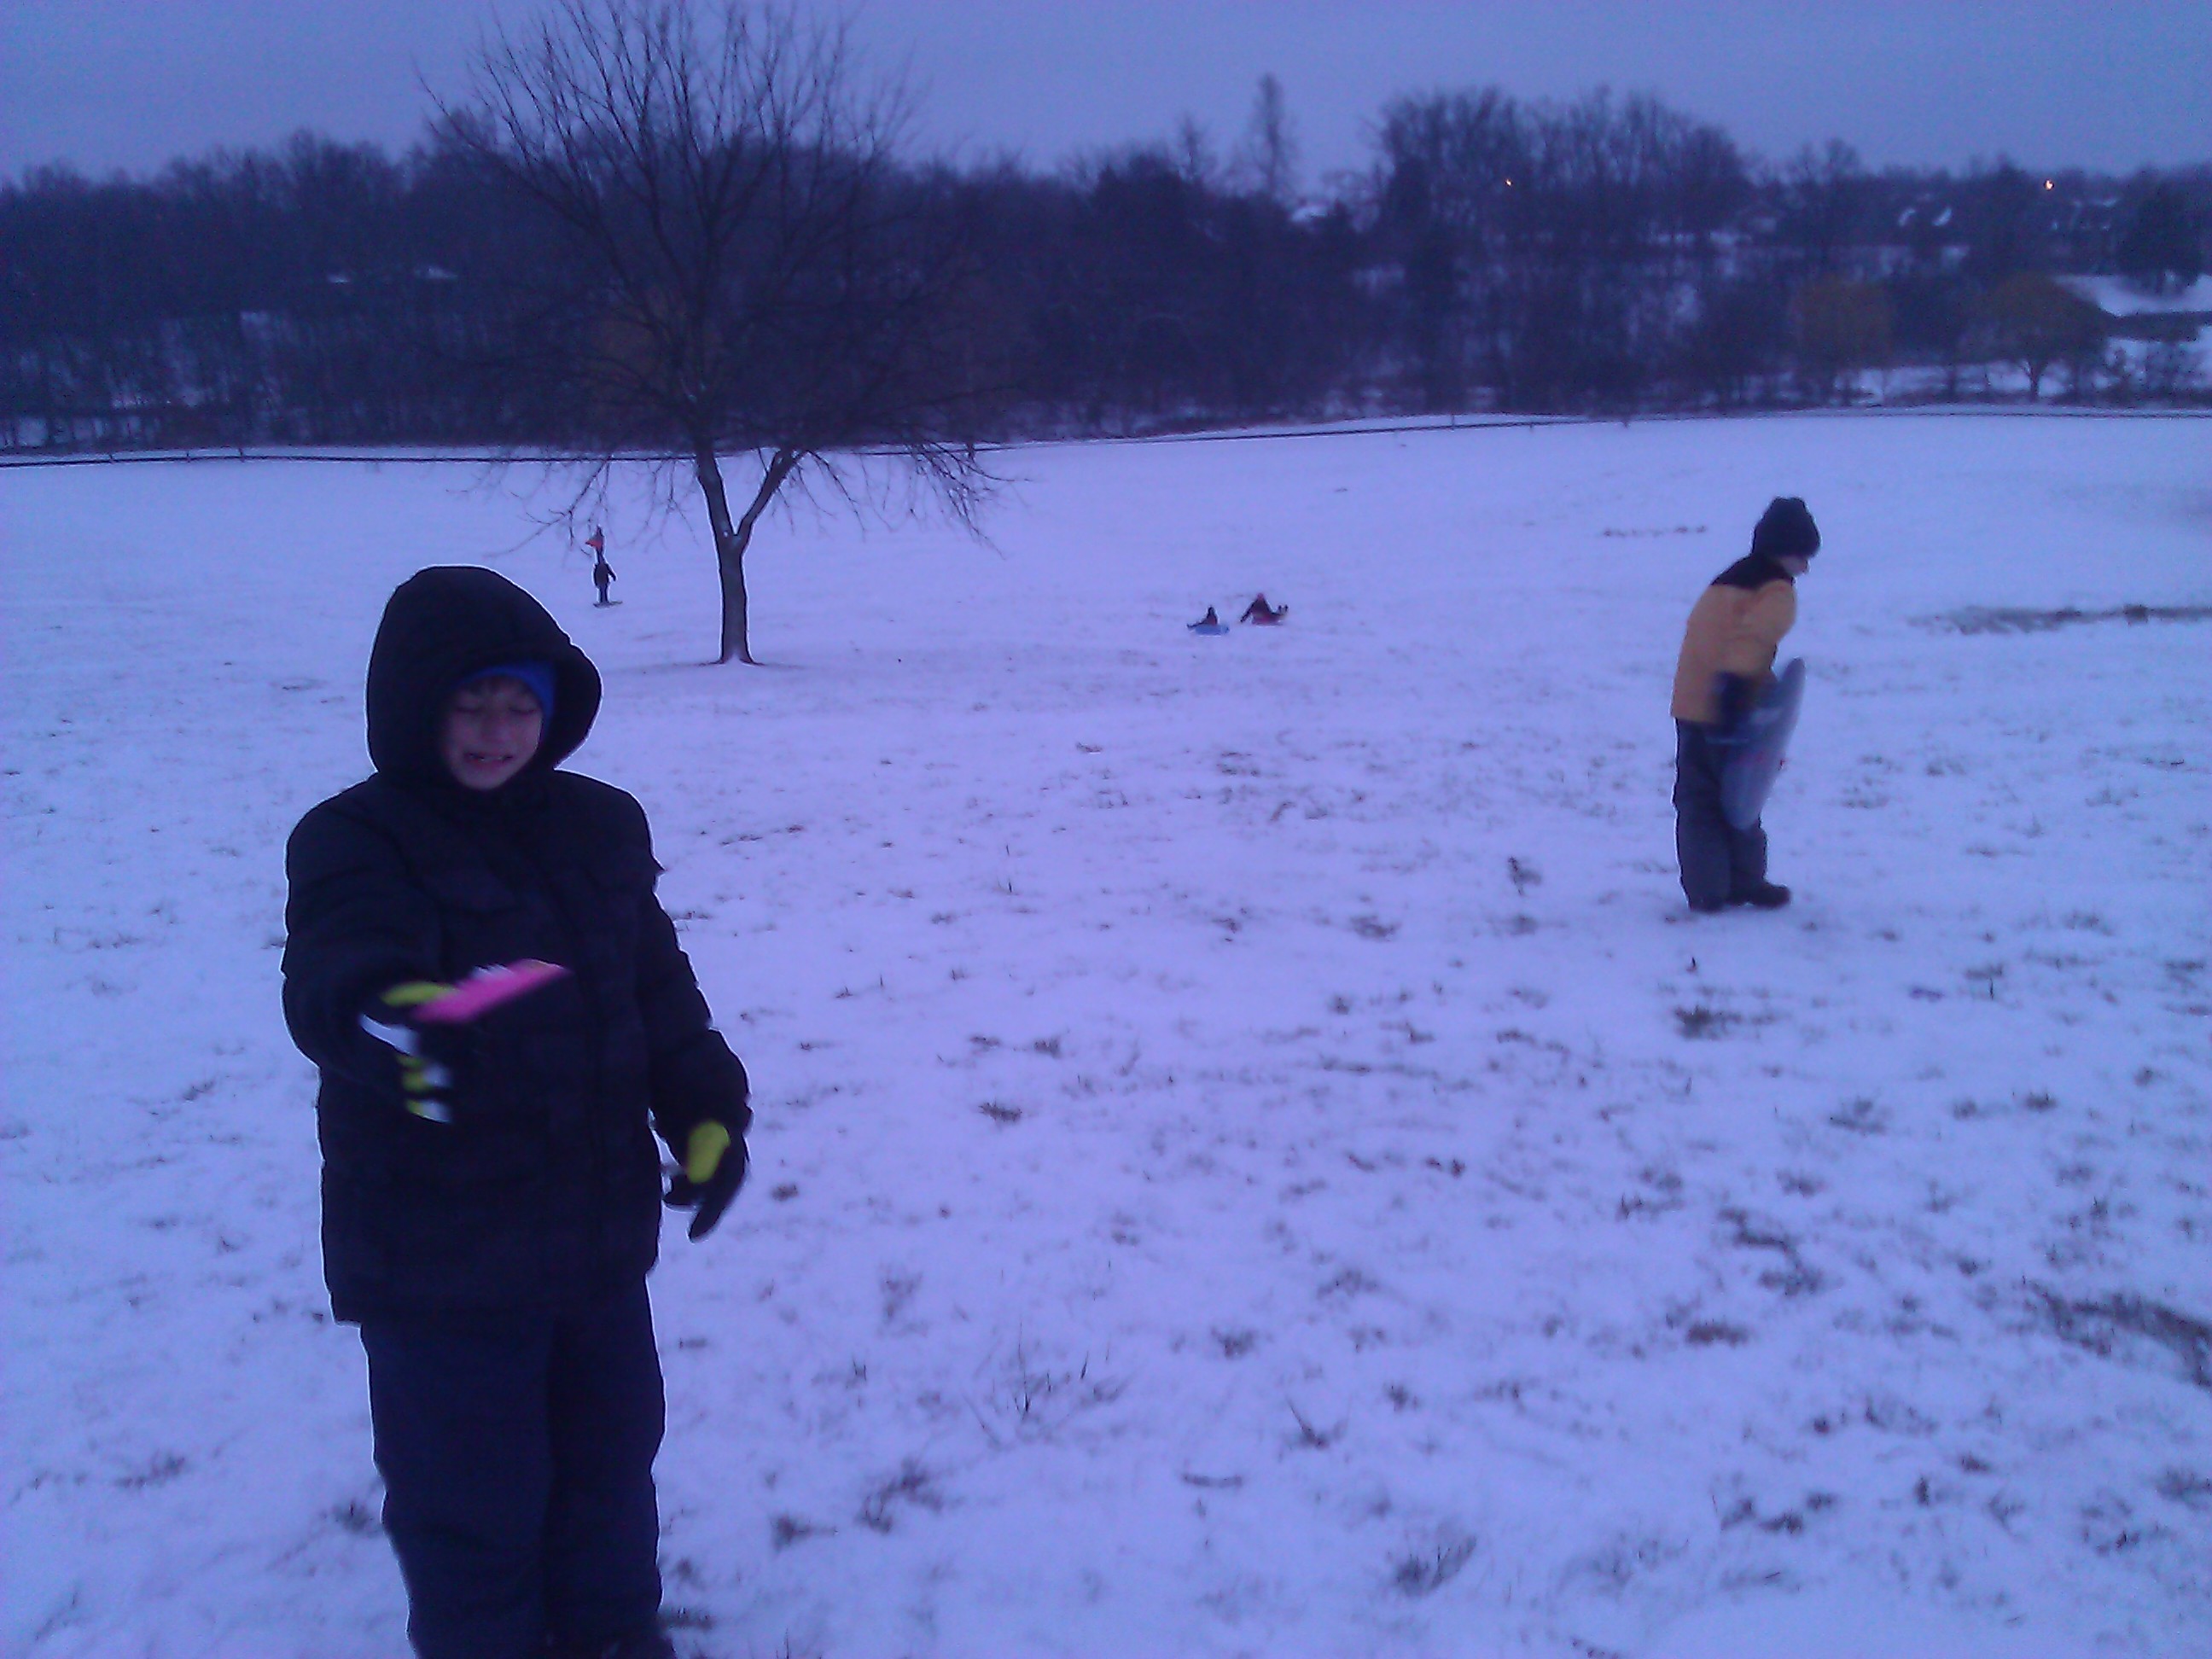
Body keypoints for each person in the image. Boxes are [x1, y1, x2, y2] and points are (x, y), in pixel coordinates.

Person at [282, 567, 750, 1659]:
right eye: (471, 705)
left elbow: (656, 987)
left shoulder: (599, 825)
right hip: (440, 1255)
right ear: (416, 706)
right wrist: (399, 1020)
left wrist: (706, 1107)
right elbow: (337, 971)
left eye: (519, 706)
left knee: (609, 1461)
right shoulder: (358, 838)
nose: (498, 732)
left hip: (594, 1235)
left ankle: (612, 1634)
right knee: (471, 1492)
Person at [1668, 497, 1819, 913]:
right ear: (1785, 551)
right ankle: (1742, 882)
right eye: (1802, 557)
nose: (1805, 568)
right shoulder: (1776, 592)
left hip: (1690, 703)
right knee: (1741, 798)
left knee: (1698, 802)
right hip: (1728, 704)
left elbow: (1707, 640)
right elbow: (1751, 642)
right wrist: (1735, 697)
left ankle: (1709, 890)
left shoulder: (1725, 581)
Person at [587, 527, 615, 607]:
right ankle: (603, 601)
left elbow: (609, 571)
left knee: (603, 591)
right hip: (603, 581)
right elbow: (608, 571)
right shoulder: (602, 567)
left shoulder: (601, 567)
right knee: (603, 591)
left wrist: (613, 576)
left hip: (603, 581)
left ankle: (604, 601)